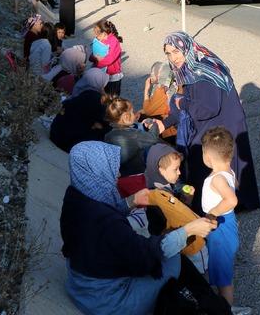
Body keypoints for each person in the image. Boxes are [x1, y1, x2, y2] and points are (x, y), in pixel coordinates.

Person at [60, 141, 216, 315]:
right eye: (112, 168)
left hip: (79, 285)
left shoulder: (75, 195)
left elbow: (101, 218)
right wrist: (188, 230)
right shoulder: (107, 222)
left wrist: (130, 202)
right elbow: (146, 256)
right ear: (97, 171)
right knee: (174, 259)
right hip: (107, 301)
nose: (118, 173)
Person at [160, 32, 260, 213]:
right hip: (223, 123)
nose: (173, 58)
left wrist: (181, 101)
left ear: (187, 49)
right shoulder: (197, 65)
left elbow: (207, 108)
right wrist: (166, 121)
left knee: (206, 161)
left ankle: (214, 207)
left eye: (176, 51)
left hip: (221, 125)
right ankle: (234, 202)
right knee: (230, 165)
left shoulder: (201, 73)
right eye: (168, 53)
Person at [199, 127, 247, 311]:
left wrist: (212, 212)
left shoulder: (216, 179)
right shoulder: (229, 172)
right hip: (228, 226)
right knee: (222, 270)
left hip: (221, 229)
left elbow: (232, 200)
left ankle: (226, 309)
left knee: (223, 276)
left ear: (208, 158)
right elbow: (234, 186)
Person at [50, 70, 110, 152]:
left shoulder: (80, 90)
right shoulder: (97, 99)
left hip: (56, 134)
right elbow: (104, 124)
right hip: (71, 143)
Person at [102, 96, 161, 176]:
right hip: (136, 171)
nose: (135, 113)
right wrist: (153, 124)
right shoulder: (135, 134)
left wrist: (139, 124)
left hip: (120, 171)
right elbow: (153, 139)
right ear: (126, 117)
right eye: (132, 112)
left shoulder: (108, 135)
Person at [140, 62, 178, 141]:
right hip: (175, 123)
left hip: (167, 129)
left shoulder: (161, 89)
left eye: (152, 74)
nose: (151, 77)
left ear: (159, 75)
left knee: (142, 118)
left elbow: (148, 111)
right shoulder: (173, 84)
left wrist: (146, 89)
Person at [90, 19, 124, 96]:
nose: (96, 37)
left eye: (97, 35)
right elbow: (92, 55)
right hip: (102, 75)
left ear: (104, 33)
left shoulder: (114, 41)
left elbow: (110, 59)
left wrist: (97, 63)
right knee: (102, 99)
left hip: (112, 77)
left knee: (112, 101)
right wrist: (93, 58)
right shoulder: (100, 41)